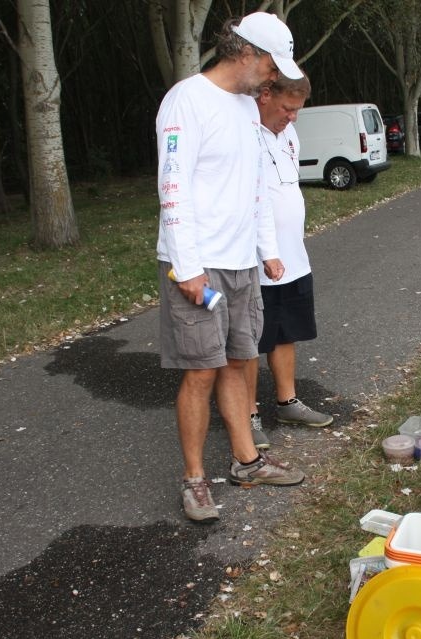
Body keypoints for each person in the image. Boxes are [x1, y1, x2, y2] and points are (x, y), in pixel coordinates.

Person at [156, 12, 306, 523]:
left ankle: (248, 462)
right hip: (199, 265)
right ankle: (195, 481)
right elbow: (172, 188)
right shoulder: (186, 101)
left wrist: (266, 248)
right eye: (270, 65)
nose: (272, 78)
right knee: (201, 371)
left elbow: (256, 184)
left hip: (243, 264)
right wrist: (188, 268)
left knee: (240, 361)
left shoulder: (246, 107)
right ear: (247, 52)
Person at [245, 73, 334, 451]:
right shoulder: (244, 132)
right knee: (249, 340)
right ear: (265, 96)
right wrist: (267, 251)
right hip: (254, 258)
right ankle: (246, 415)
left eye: (297, 110)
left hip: (293, 257)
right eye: (287, 109)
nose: (293, 118)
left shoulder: (288, 133)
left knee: (286, 330)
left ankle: (287, 402)